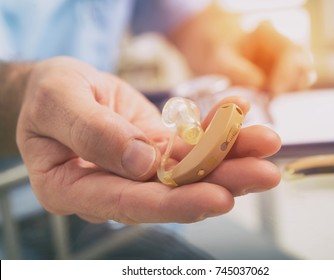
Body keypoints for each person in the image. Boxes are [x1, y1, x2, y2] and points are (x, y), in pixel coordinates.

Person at [0, 1, 313, 227]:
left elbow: (185, 17)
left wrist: (233, 44)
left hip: (109, 188)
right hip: (15, 208)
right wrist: (24, 92)